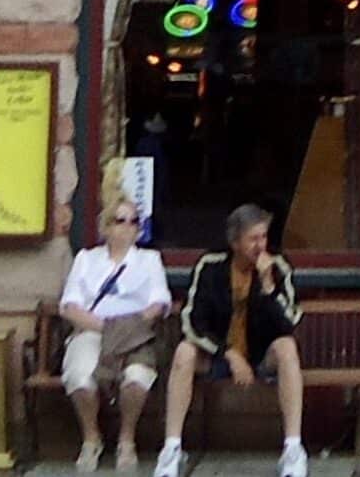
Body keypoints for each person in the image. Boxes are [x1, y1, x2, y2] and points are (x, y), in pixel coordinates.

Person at [154, 202, 302, 477]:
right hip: (219, 354)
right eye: (253, 239)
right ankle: (172, 449)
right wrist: (228, 354)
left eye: (264, 237)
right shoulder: (210, 267)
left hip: (261, 354)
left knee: (287, 348)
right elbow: (192, 321)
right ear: (235, 242)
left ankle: (293, 449)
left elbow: (288, 323)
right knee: (184, 353)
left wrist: (268, 285)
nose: (261, 245)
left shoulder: (278, 266)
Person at [56, 171, 174, 470]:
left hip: (135, 335)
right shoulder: (86, 259)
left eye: (134, 221)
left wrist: (127, 328)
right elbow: (70, 306)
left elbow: (159, 303)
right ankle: (91, 438)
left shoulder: (149, 260)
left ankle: (126, 439)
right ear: (106, 227)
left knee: (136, 379)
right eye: (120, 220)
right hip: (93, 331)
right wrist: (107, 328)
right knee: (80, 378)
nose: (128, 227)